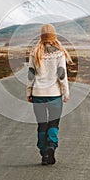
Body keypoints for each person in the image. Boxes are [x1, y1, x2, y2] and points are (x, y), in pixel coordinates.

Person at [26, 24, 71, 165]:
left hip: (38, 94)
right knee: (53, 123)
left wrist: (29, 91)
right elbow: (62, 75)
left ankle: (44, 153)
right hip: (54, 94)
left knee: (41, 124)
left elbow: (30, 75)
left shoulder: (35, 52)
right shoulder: (59, 53)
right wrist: (65, 92)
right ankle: (51, 145)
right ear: (54, 36)